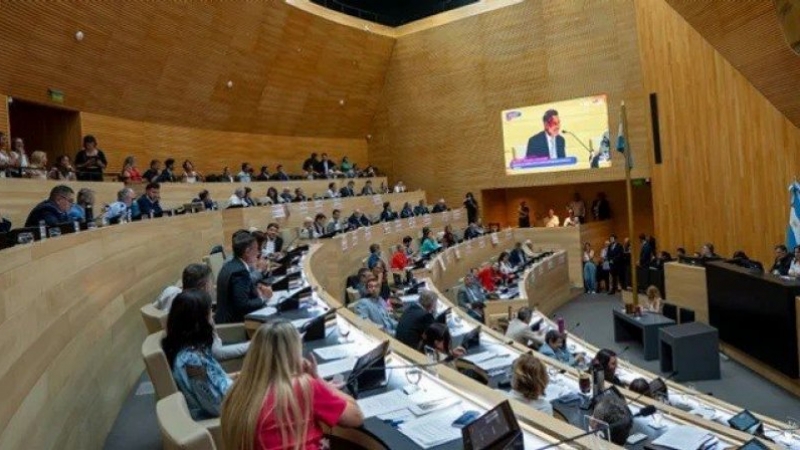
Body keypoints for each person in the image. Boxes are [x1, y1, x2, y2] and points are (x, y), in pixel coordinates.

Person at [220, 320, 363, 450]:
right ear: (293, 353)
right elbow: (356, 416)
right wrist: (319, 380)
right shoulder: (302, 387)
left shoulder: (237, 391)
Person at [162, 290, 233, 420]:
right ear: (198, 322)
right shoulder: (191, 361)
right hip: (228, 415)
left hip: (232, 397)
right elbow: (215, 406)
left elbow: (216, 381)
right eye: (209, 314)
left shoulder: (195, 348)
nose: (212, 317)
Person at [215, 232, 273, 324]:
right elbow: (243, 305)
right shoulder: (240, 272)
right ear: (247, 251)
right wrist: (263, 298)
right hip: (234, 324)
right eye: (256, 249)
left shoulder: (230, 265)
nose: (258, 252)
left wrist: (256, 290)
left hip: (225, 319)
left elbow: (238, 293)